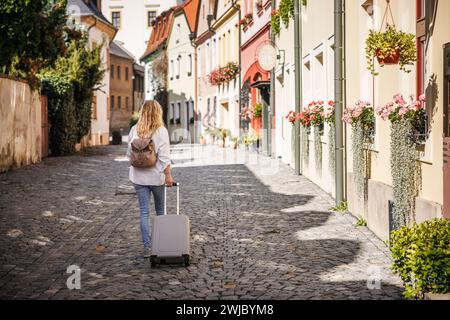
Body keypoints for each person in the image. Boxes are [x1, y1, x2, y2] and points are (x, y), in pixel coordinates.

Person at [126, 100, 174, 258]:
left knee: (144, 212)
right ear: (157, 113)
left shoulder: (134, 129)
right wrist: (167, 175)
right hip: (157, 177)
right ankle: (159, 246)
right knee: (160, 212)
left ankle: (147, 248)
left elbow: (129, 154)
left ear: (142, 113)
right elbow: (165, 157)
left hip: (138, 177)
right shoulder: (161, 131)